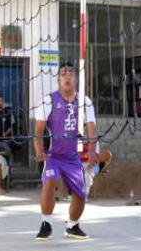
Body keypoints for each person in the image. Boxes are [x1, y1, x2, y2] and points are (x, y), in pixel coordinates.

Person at [33, 62, 98, 241]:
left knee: (81, 194)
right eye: (63, 73)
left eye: (70, 73)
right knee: (50, 181)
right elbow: (38, 132)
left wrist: (92, 151)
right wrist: (39, 151)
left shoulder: (85, 102)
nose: (67, 76)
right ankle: (46, 223)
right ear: (58, 79)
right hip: (53, 155)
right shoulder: (48, 101)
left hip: (72, 157)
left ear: (76, 78)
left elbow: (92, 129)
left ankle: (72, 226)